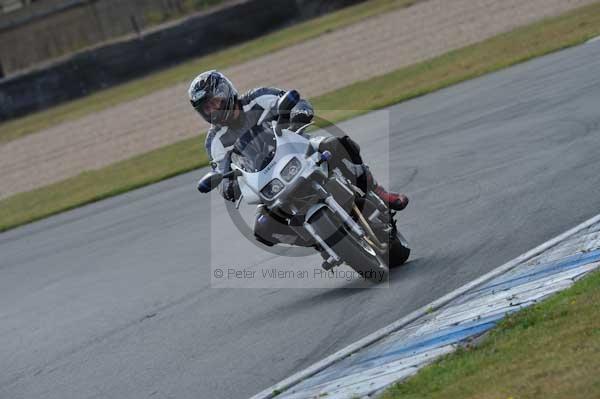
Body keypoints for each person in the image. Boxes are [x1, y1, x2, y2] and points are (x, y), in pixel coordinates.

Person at [189, 70, 408, 247]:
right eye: (205, 109)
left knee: (340, 145)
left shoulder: (258, 98)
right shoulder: (214, 141)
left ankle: (378, 192)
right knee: (263, 229)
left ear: (225, 92)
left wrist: (300, 113)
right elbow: (220, 172)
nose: (211, 111)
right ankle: (317, 240)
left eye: (213, 102)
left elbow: (296, 101)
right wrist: (227, 186)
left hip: (299, 151)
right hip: (267, 181)